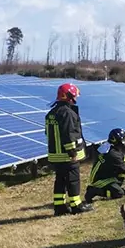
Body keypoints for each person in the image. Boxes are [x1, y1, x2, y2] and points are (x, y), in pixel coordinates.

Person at [46, 82, 94, 216]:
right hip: (67, 155)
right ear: (68, 96)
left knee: (60, 180)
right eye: (74, 96)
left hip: (55, 155)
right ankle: (76, 205)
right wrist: (72, 152)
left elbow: (48, 133)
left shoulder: (52, 113)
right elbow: (69, 134)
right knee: (73, 180)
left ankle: (59, 206)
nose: (76, 99)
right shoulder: (67, 113)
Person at [84, 128, 125, 203]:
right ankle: (94, 191)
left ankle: (116, 188)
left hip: (106, 175)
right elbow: (124, 168)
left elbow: (122, 158)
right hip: (99, 179)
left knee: (121, 175)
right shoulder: (112, 154)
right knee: (119, 193)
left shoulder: (110, 148)